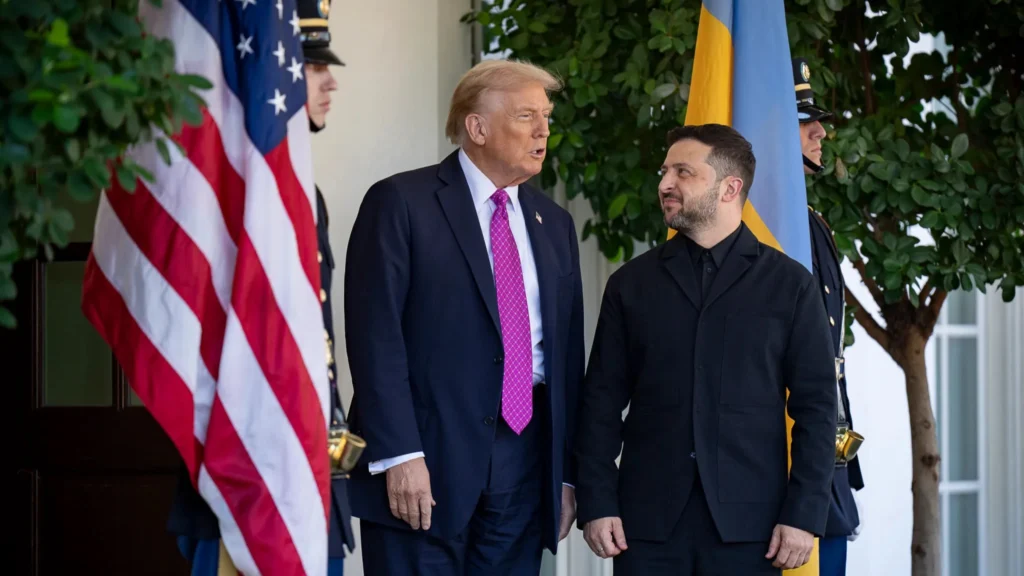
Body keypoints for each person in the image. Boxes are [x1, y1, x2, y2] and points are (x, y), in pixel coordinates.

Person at [343, 59, 585, 575]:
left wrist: (565, 475)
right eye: (526, 116)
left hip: (525, 461)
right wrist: (400, 454)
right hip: (425, 461)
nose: (544, 130)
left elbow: (566, 357)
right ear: (476, 127)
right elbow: (375, 338)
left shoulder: (555, 225)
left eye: (545, 116)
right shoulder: (400, 203)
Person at [574, 123, 838, 575]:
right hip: (646, 527)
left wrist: (804, 514)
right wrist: (597, 500)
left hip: (755, 530)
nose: (664, 184)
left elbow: (817, 409)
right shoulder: (630, 285)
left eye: (683, 172)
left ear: (729, 187)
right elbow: (600, 402)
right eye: (664, 171)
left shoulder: (791, 285)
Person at [164, 1, 355, 573]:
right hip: (246, 463)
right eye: (310, 66)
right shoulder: (235, 194)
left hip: (307, 457)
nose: (329, 84)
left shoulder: (303, 198)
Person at [793, 56, 865, 576]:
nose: (820, 131)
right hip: (775, 452)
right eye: (803, 120)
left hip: (821, 443)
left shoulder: (811, 223)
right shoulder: (760, 226)